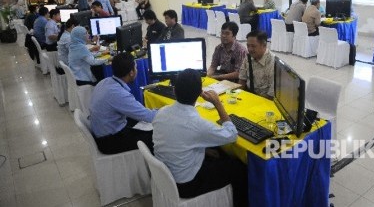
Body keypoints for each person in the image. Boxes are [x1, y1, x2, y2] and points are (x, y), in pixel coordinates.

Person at [152, 69, 248, 207]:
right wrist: (218, 104)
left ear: (174, 90)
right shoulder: (196, 124)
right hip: (186, 184)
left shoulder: (162, 112)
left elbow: (178, 139)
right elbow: (232, 135)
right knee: (239, 167)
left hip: (167, 176)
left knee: (217, 152)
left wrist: (205, 149)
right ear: (199, 93)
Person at [90, 52, 157, 154]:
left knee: (141, 122)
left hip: (103, 131)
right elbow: (148, 116)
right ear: (131, 72)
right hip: (109, 142)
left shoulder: (106, 81)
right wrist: (169, 110)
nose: (137, 70)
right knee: (156, 137)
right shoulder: (118, 93)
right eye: (136, 67)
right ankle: (155, 168)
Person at [239, 30, 274, 99]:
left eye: (253, 46)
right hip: (248, 94)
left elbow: (271, 95)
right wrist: (238, 95)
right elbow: (242, 79)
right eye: (248, 46)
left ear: (264, 45)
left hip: (264, 99)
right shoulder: (249, 57)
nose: (250, 49)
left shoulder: (273, 63)